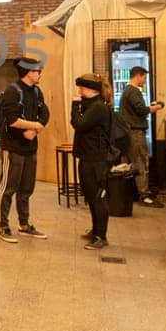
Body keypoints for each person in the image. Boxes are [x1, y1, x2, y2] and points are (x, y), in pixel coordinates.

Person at [0, 56, 50, 243]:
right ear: (28, 72)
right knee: (8, 188)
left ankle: (24, 225)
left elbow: (45, 113)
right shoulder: (13, 91)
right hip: (13, 148)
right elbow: (12, 120)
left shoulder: (36, 91)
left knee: (26, 189)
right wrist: (34, 125)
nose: (39, 74)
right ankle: (3, 226)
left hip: (30, 147)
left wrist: (35, 129)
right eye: (37, 71)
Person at [71, 74, 115, 250]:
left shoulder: (98, 108)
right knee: (90, 196)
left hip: (96, 160)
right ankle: (96, 230)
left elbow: (79, 124)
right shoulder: (92, 105)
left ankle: (101, 236)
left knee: (97, 198)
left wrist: (74, 105)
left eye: (81, 88)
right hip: (88, 157)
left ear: (91, 89)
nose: (79, 91)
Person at [118, 65, 164, 207]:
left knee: (128, 163)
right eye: (144, 77)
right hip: (135, 133)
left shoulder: (127, 91)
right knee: (140, 162)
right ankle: (144, 196)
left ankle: (127, 192)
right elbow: (140, 110)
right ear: (138, 76)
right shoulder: (133, 91)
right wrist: (156, 107)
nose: (145, 81)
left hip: (127, 132)